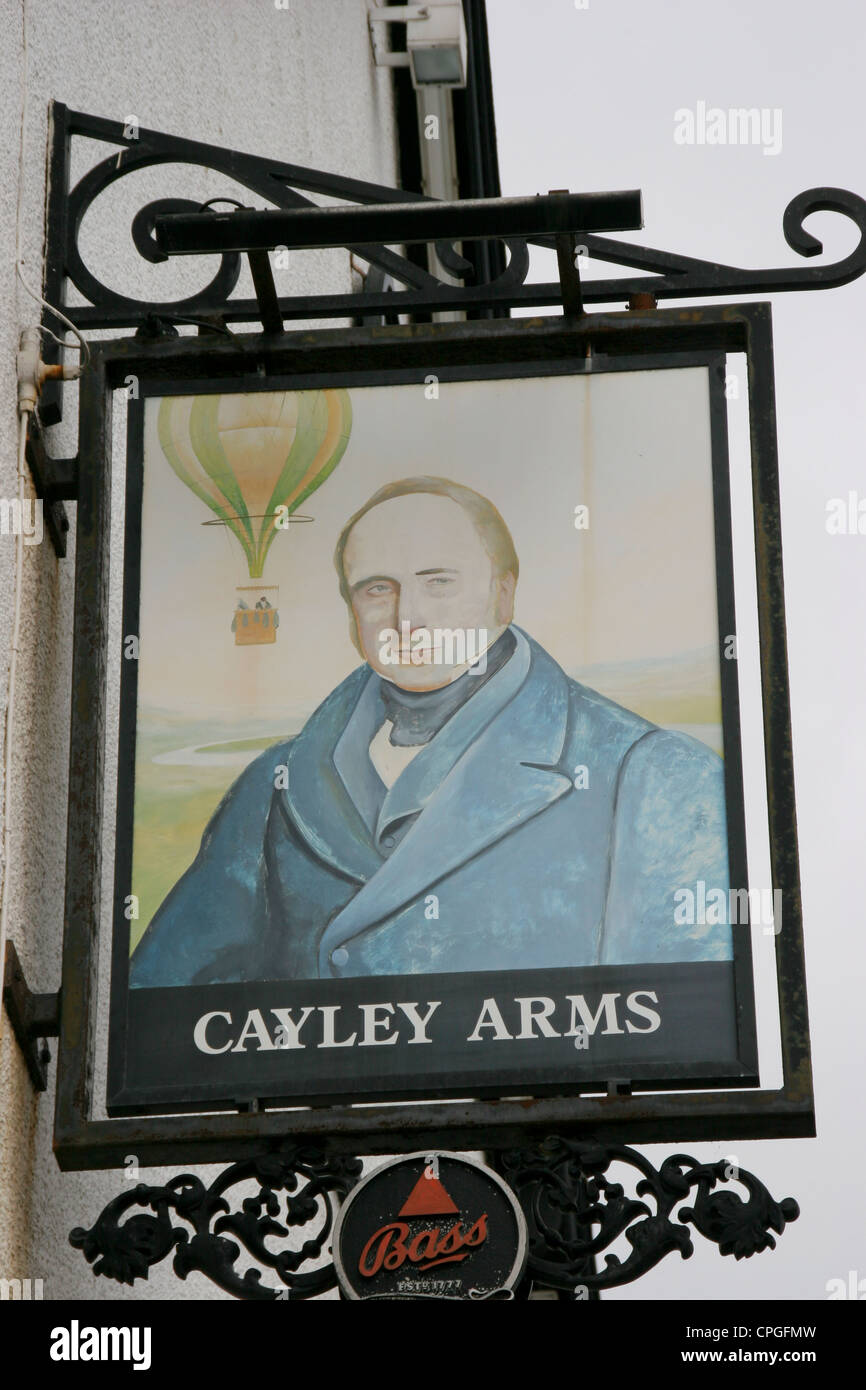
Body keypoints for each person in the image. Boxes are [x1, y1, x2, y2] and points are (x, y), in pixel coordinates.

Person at [130, 476, 732, 987]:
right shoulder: (274, 785)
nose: (407, 618)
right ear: (350, 614)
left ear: (504, 593)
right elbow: (165, 1011)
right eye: (376, 589)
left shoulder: (654, 776)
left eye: (438, 581)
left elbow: (671, 1022)